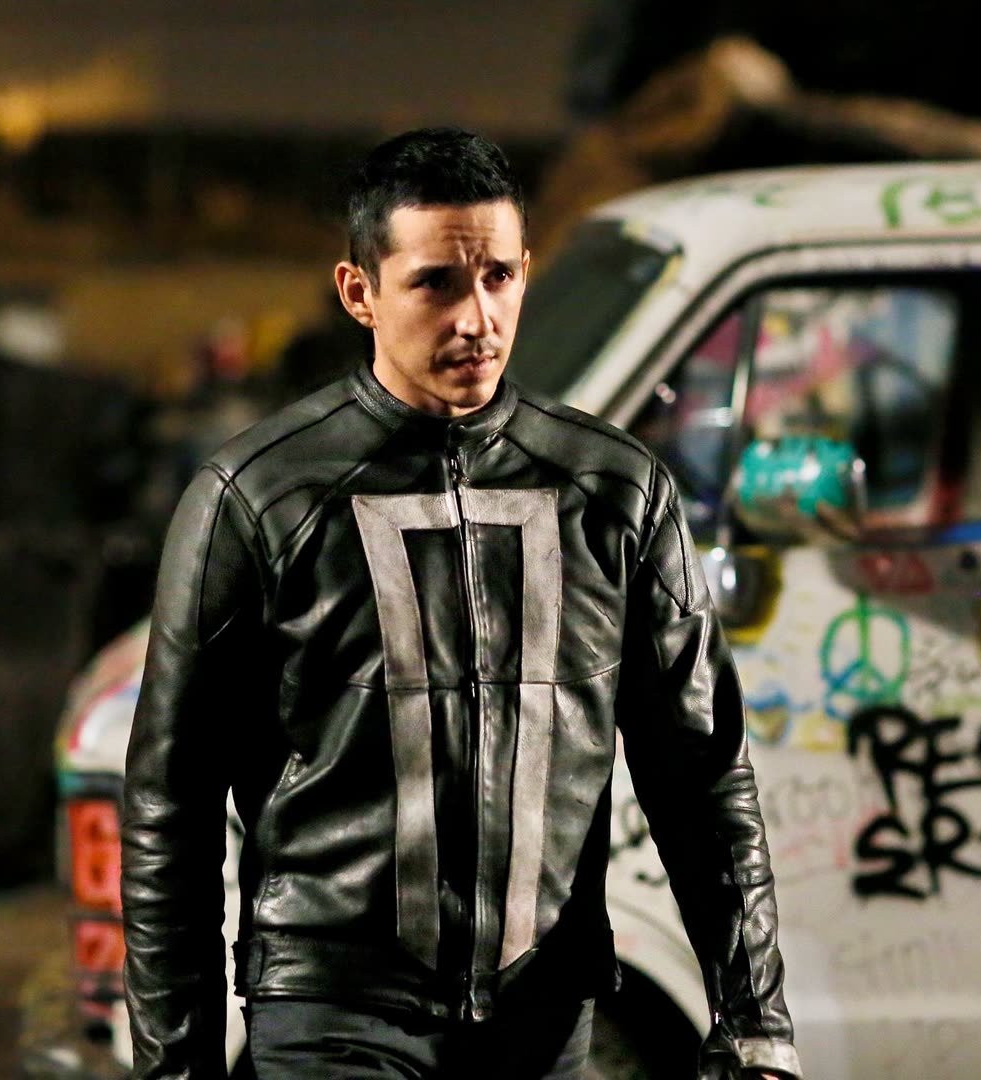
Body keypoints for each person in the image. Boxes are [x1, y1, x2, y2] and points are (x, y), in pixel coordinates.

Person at [120, 127, 800, 1080]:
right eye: (435, 283)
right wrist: (174, 1068)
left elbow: (701, 771)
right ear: (360, 291)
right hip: (332, 1019)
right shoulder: (258, 498)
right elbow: (171, 806)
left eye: (498, 278)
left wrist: (756, 1020)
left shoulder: (616, 492)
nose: (476, 318)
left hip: (543, 1019)